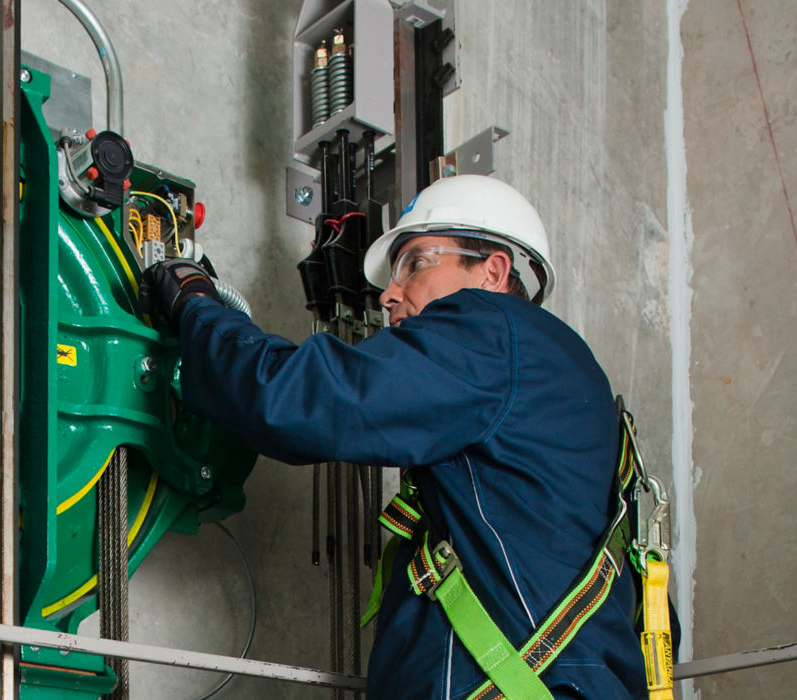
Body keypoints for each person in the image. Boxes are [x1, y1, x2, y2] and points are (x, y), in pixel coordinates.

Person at [142, 175, 656, 699]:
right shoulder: (568, 380)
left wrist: (195, 306)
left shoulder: (492, 332)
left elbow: (297, 399)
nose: (389, 294)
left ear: (493, 271)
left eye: (415, 263)